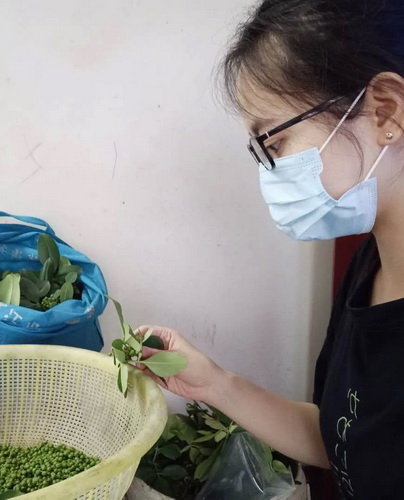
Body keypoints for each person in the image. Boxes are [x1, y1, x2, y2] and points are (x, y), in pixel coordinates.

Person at [136, 1, 404, 498]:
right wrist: (214, 384)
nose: (269, 174)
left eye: (274, 142)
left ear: (385, 109)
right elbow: (341, 442)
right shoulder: (371, 268)